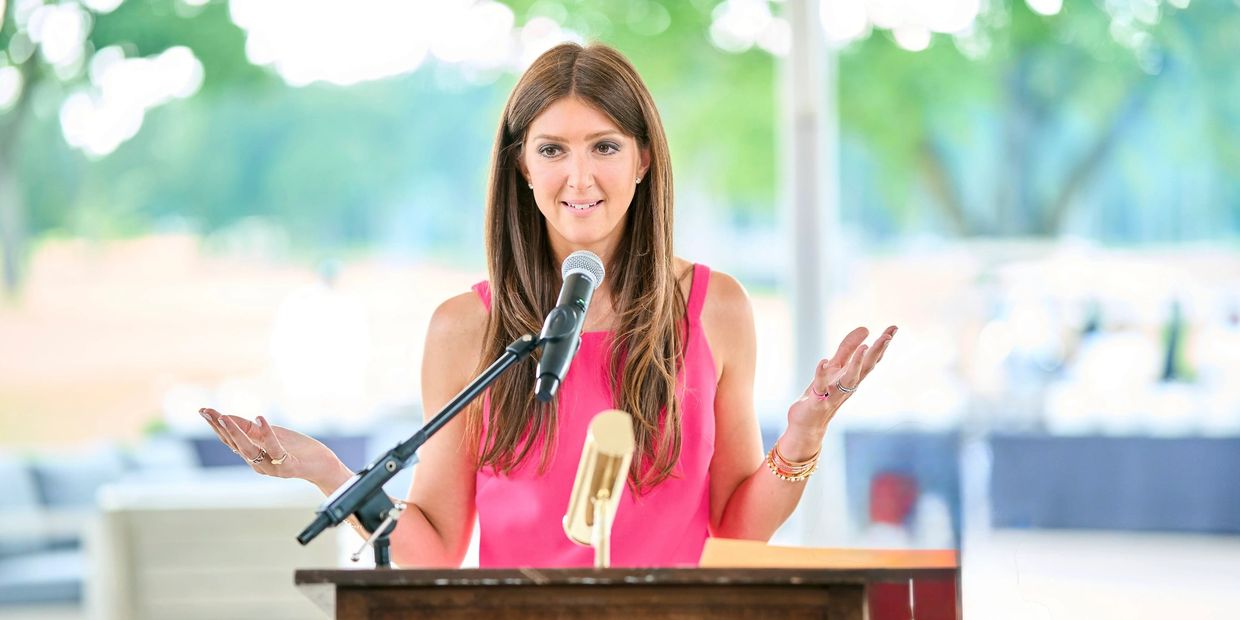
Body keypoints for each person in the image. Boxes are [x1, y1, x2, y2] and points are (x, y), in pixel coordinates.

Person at [199, 42, 896, 569]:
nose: (580, 176)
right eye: (553, 149)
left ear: (644, 159)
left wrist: (803, 436)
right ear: (523, 165)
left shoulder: (716, 308)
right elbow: (438, 547)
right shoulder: (464, 329)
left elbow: (737, 529)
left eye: (605, 146)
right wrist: (328, 471)